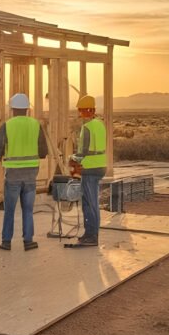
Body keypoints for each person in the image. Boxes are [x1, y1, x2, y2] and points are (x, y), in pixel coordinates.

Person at [0, 93, 48, 251]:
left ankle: (6, 242)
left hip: (13, 175)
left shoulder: (7, 126)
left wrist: (3, 156)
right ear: (27, 109)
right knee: (28, 210)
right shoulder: (36, 125)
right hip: (31, 175)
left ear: (13, 109)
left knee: (9, 210)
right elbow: (43, 152)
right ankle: (28, 241)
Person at [67, 95, 108, 247]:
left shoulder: (87, 128)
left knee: (88, 203)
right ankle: (92, 234)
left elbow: (82, 152)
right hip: (100, 167)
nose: (80, 113)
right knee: (94, 203)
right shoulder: (100, 124)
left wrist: (71, 158)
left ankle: (91, 236)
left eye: (81, 110)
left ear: (86, 110)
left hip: (90, 168)